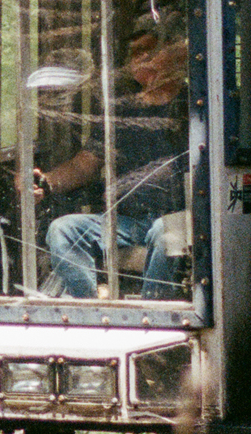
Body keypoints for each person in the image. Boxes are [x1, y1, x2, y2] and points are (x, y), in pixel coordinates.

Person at [35, 22, 189, 300]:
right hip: (125, 221)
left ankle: (151, 315)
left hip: (181, 217)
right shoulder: (121, 109)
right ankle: (92, 309)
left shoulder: (194, 104)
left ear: (174, 56)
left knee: (165, 235)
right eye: (135, 53)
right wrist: (47, 182)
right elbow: (85, 164)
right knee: (62, 230)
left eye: (149, 51)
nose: (140, 59)